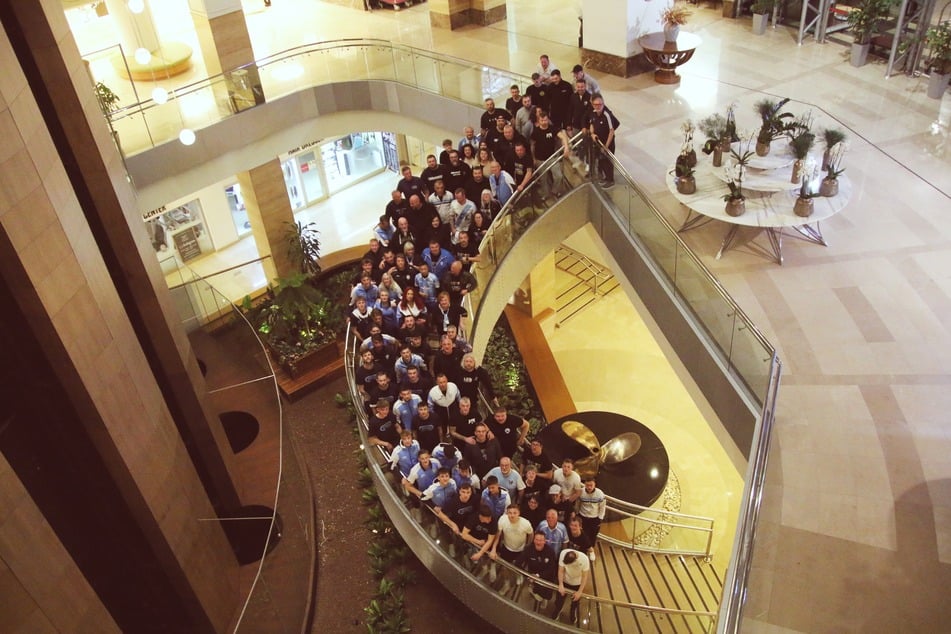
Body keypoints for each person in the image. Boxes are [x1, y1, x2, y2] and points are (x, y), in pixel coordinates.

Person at [489, 504, 534, 595]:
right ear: (507, 513)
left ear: (519, 513)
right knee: (505, 568)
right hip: (507, 548)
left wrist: (527, 546)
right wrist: (493, 549)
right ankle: (507, 584)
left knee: (518, 567)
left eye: (514, 513)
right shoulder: (502, 520)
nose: (512, 515)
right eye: (510, 513)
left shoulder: (525, 523)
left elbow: (531, 534)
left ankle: (518, 575)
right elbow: (497, 535)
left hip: (521, 550)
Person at [531, 110, 571, 199]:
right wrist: (533, 158)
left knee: (559, 176)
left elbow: (563, 137)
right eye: (542, 120)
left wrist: (566, 147)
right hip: (540, 159)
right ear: (539, 121)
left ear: (548, 119)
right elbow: (532, 145)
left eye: (545, 120)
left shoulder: (552, 129)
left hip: (552, 157)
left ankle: (555, 190)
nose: (544, 122)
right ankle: (545, 194)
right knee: (543, 179)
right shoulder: (535, 132)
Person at [587, 93, 620, 187]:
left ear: (603, 103)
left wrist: (606, 146)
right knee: (601, 160)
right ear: (592, 104)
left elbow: (611, 131)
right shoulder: (593, 112)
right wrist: (592, 133)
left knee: (608, 161)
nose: (598, 106)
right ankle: (605, 177)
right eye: (595, 104)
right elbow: (592, 124)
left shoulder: (607, 114)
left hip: (607, 143)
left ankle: (610, 180)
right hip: (599, 142)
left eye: (600, 104)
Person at [518, 531, 558, 605]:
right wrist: (528, 576)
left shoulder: (550, 552)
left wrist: (537, 576)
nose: (538, 542)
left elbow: (551, 568)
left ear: (544, 541)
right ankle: (534, 591)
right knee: (536, 591)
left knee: (547, 594)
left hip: (546, 577)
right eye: (536, 539)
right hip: (532, 576)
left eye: (541, 540)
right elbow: (518, 563)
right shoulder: (528, 549)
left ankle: (545, 599)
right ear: (534, 540)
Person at [552, 549, 590, 625]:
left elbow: (585, 576)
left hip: (577, 583)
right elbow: (561, 570)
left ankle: (572, 612)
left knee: (575, 601)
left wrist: (580, 591)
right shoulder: (563, 553)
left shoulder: (584, 559)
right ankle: (557, 609)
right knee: (559, 599)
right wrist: (561, 584)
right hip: (565, 581)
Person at [461, 505, 498, 577]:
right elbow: (464, 534)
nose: (489, 520)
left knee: (484, 558)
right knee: (468, 550)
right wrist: (477, 541)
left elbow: (490, 540)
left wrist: (480, 554)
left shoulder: (493, 521)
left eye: (489, 518)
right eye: (487, 519)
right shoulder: (473, 517)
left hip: (485, 543)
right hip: (473, 540)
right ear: (480, 516)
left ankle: (484, 569)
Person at [428, 373, 461, 438]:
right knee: (443, 429)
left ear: (447, 381)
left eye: (444, 382)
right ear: (437, 382)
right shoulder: (432, 392)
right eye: (440, 382)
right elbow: (430, 406)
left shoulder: (453, 386)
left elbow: (459, 398)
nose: (443, 384)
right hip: (440, 410)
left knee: (455, 427)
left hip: (452, 407)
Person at [577, 477, 606, 548]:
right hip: (583, 516)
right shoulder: (581, 492)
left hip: (594, 517)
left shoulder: (600, 494)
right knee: (583, 534)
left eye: (591, 485)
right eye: (587, 485)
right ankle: (582, 548)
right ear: (584, 485)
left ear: (594, 485)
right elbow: (578, 503)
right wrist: (577, 514)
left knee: (593, 535)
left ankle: (591, 549)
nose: (589, 487)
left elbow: (602, 507)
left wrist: (600, 518)